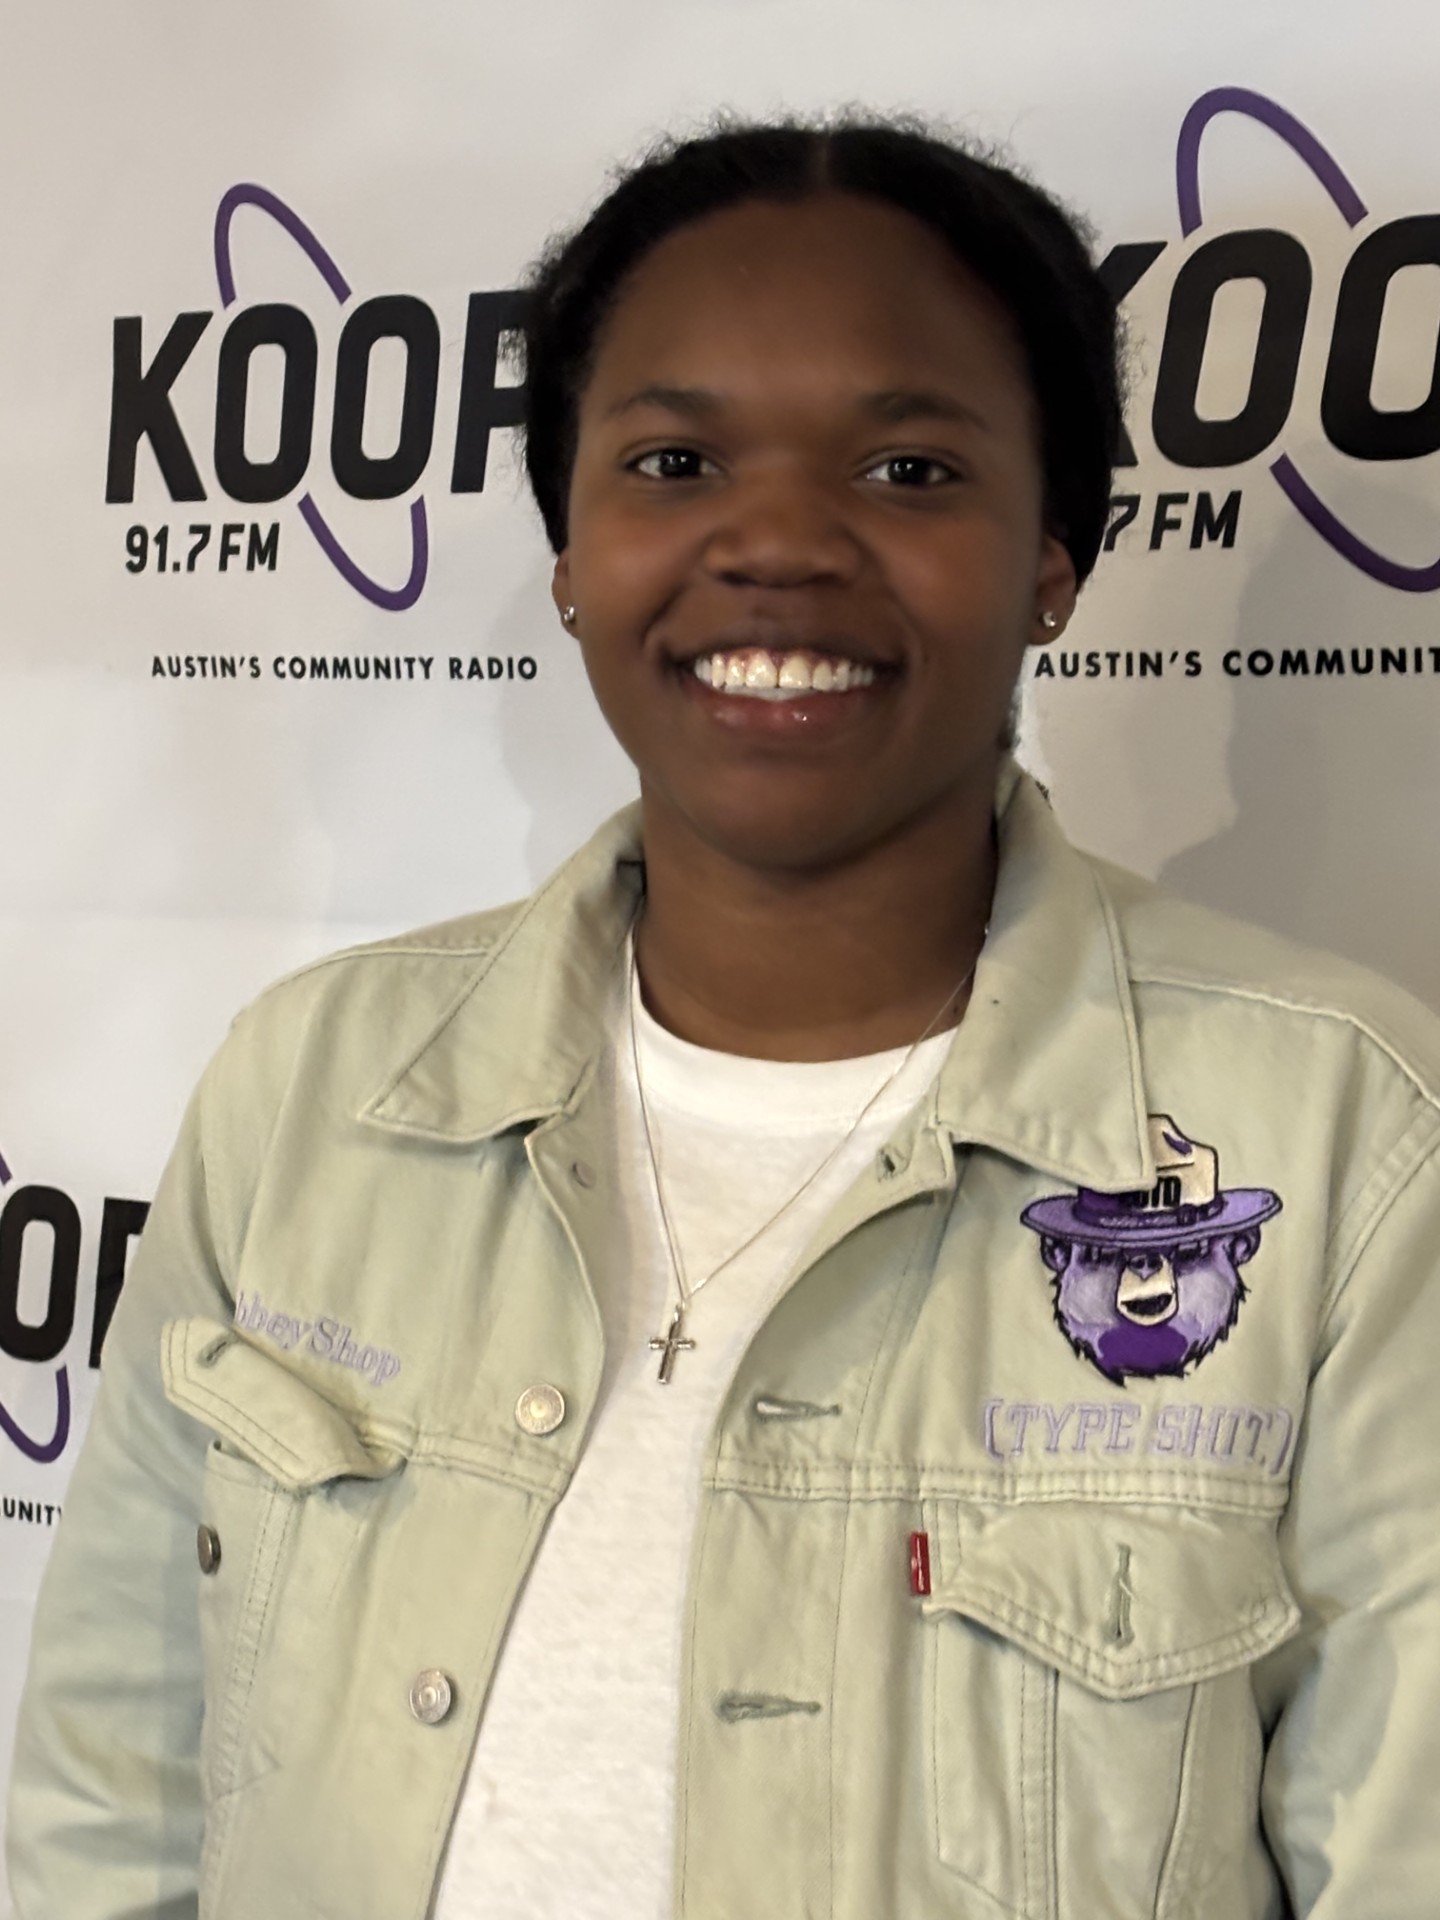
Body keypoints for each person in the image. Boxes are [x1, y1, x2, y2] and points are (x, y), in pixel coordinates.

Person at [8, 114, 1440, 1920]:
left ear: (1057, 559)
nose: (774, 544)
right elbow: (108, 1812)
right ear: (568, 546)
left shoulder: (1347, 1144)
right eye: (674, 460)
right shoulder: (310, 1087)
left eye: (910, 471)